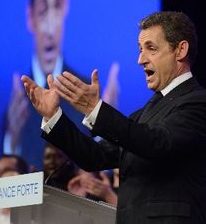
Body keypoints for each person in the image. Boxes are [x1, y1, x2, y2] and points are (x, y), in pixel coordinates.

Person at [22, 11, 206, 223]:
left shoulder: (197, 102)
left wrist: (96, 109)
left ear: (180, 50)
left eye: (151, 49)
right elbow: (94, 156)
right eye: (140, 50)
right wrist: (53, 116)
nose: (140, 60)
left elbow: (158, 144)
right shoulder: (147, 111)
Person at [1, 0, 119, 170]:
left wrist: (106, 124)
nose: (49, 28)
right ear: (30, 17)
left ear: (66, 6)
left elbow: (97, 160)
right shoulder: (15, 106)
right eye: (42, 10)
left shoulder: (86, 91)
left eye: (56, 6)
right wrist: (11, 140)